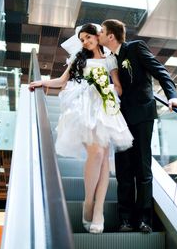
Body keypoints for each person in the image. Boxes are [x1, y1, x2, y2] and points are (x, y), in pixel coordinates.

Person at [29, 23, 133, 234]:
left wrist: (105, 86)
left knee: (103, 157)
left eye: (88, 37)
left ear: (97, 36)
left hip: (104, 106)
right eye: (82, 39)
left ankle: (98, 211)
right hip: (83, 106)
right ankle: (88, 202)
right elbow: (62, 80)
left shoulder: (110, 59)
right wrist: (40, 82)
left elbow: (119, 88)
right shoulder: (79, 58)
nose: (85, 41)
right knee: (95, 153)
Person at [98, 19, 177, 234]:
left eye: (101, 31)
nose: (99, 34)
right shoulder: (108, 60)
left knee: (143, 169)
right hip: (120, 119)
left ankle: (144, 220)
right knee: (123, 169)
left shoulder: (135, 48)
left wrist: (172, 97)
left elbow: (160, 71)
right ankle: (126, 220)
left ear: (111, 36)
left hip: (142, 115)